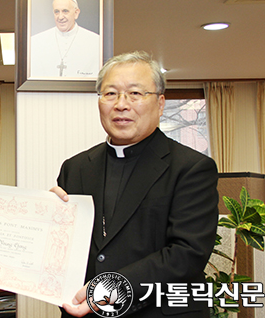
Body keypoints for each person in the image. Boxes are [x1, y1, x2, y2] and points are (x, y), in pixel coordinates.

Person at [51, 51, 218, 317]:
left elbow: (187, 254)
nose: (121, 104)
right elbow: (65, 250)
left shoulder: (191, 168)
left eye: (135, 94)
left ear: (161, 104)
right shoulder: (76, 167)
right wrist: (48, 220)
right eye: (110, 94)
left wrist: (106, 289)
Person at [30, 0, 100, 78]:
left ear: (76, 13)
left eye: (65, 11)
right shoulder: (36, 42)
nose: (60, 17)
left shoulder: (95, 41)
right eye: (56, 12)